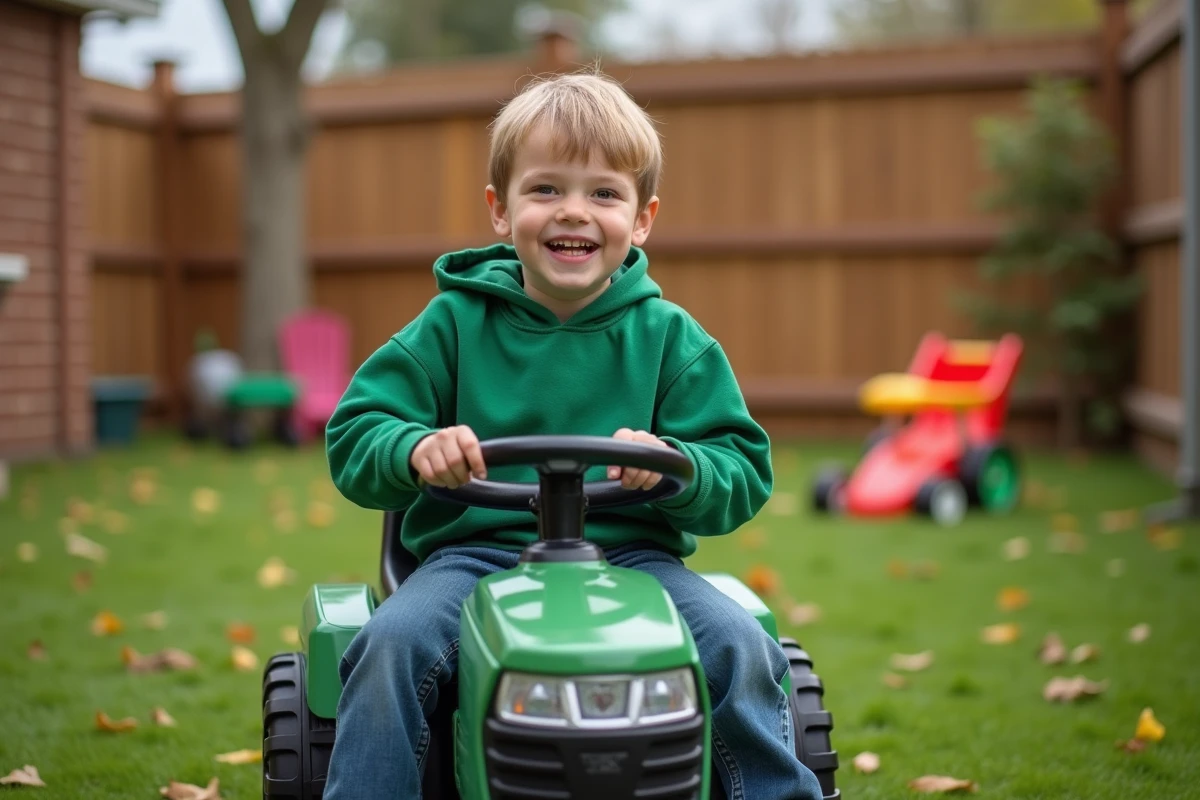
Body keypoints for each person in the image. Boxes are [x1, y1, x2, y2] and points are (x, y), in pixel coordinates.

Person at [323, 68, 823, 800]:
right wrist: (413, 449)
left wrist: (678, 464)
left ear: (642, 217)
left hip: (636, 562)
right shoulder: (451, 327)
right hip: (473, 559)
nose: (574, 213)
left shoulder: (669, 339)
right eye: (546, 189)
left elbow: (740, 468)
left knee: (740, 642)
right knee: (390, 644)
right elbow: (357, 432)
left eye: (604, 193)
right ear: (501, 210)